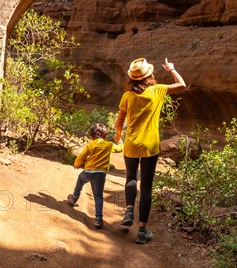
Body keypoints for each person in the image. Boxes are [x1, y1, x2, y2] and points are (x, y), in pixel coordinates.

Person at [115, 57, 186, 244]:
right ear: (149, 75)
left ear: (133, 78)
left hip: (131, 143)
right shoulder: (158, 90)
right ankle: (142, 231)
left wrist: (117, 137)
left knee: (131, 178)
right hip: (150, 145)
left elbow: (120, 121)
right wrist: (171, 68)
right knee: (146, 188)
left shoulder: (127, 96)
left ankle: (129, 210)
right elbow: (182, 84)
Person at [67, 123, 122, 229]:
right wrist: (120, 141)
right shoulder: (109, 145)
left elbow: (81, 156)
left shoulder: (90, 145)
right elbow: (120, 149)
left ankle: (74, 198)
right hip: (100, 175)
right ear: (105, 136)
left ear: (91, 137)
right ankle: (98, 219)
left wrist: (77, 164)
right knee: (98, 196)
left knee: (80, 179)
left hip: (88, 172)